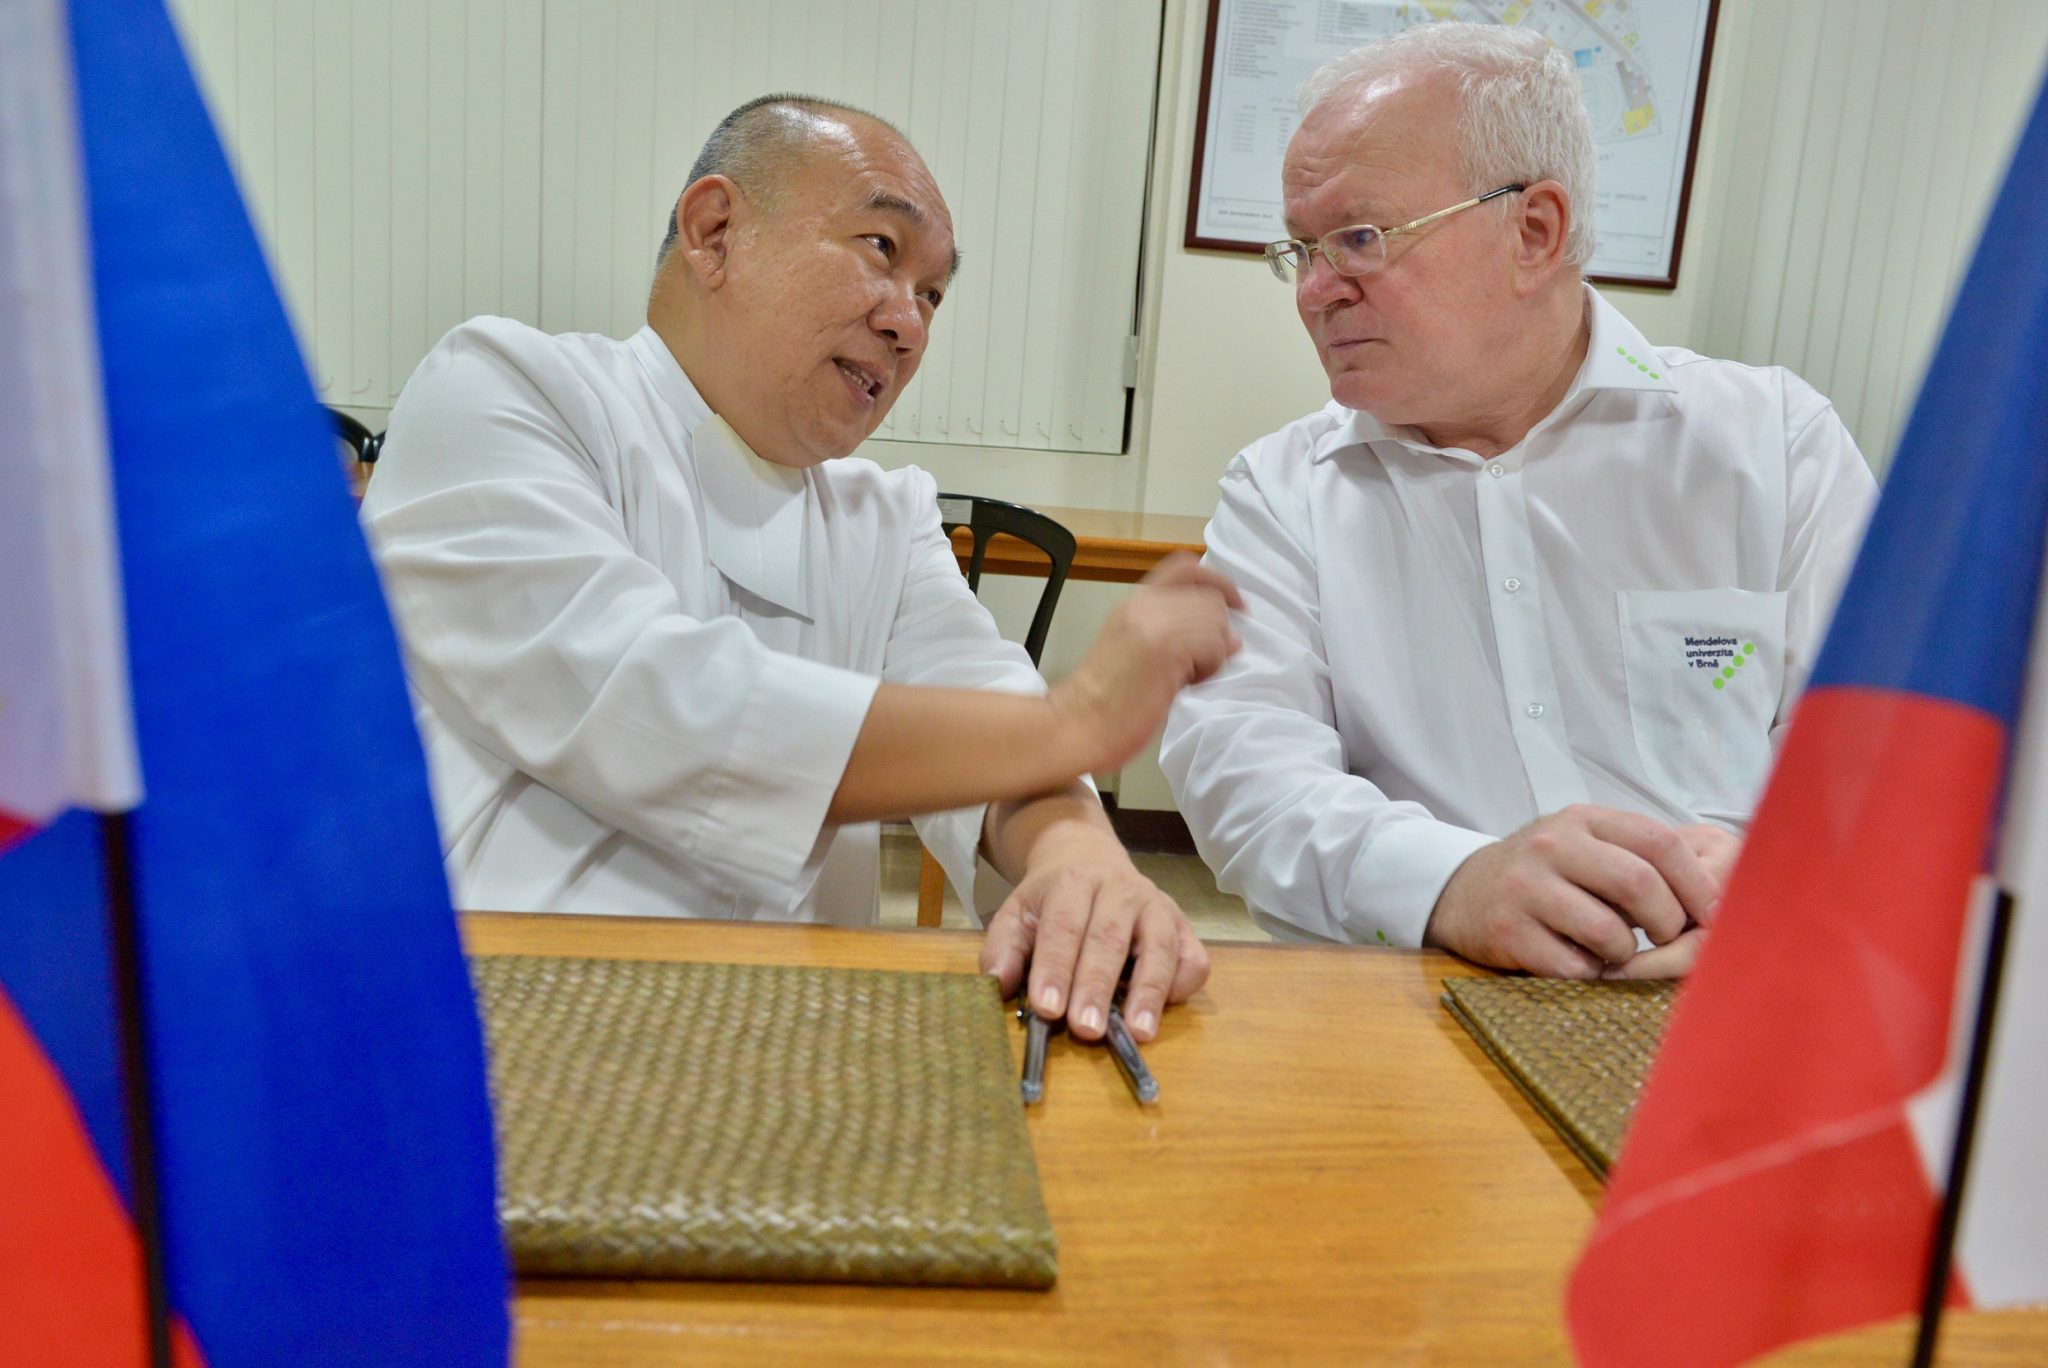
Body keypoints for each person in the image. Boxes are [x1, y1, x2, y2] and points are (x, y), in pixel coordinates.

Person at [360, 95, 1238, 1041]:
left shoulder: (883, 515)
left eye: (935, 295)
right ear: (714, 232)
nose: (909, 323)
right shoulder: (509, 393)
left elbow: (989, 713)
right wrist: (1078, 722)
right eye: (881, 250)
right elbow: (662, 705)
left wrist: (1080, 858)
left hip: (796, 1051)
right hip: (504, 1040)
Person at [1160, 23, 1876, 980]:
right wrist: (1456, 883)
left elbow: (1883, 753)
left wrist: (1767, 877)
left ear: (1533, 232)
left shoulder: (1774, 446)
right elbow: (1243, 774)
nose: (1317, 291)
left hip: (1743, 995)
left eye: (1360, 239)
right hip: (1421, 1003)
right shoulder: (1286, 493)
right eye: (1302, 249)